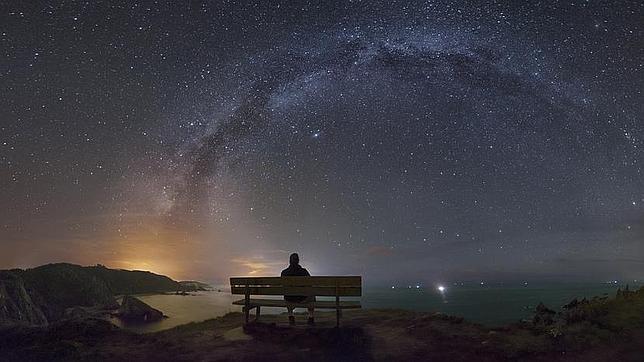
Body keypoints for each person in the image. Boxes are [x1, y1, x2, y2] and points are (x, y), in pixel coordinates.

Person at [281, 253, 315, 325]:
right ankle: (311, 317)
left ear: (289, 261)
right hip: (303, 298)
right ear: (298, 261)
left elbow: (283, 287)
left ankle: (291, 316)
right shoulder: (304, 271)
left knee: (287, 294)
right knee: (312, 295)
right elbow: (310, 284)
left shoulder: (284, 273)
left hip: (289, 299)